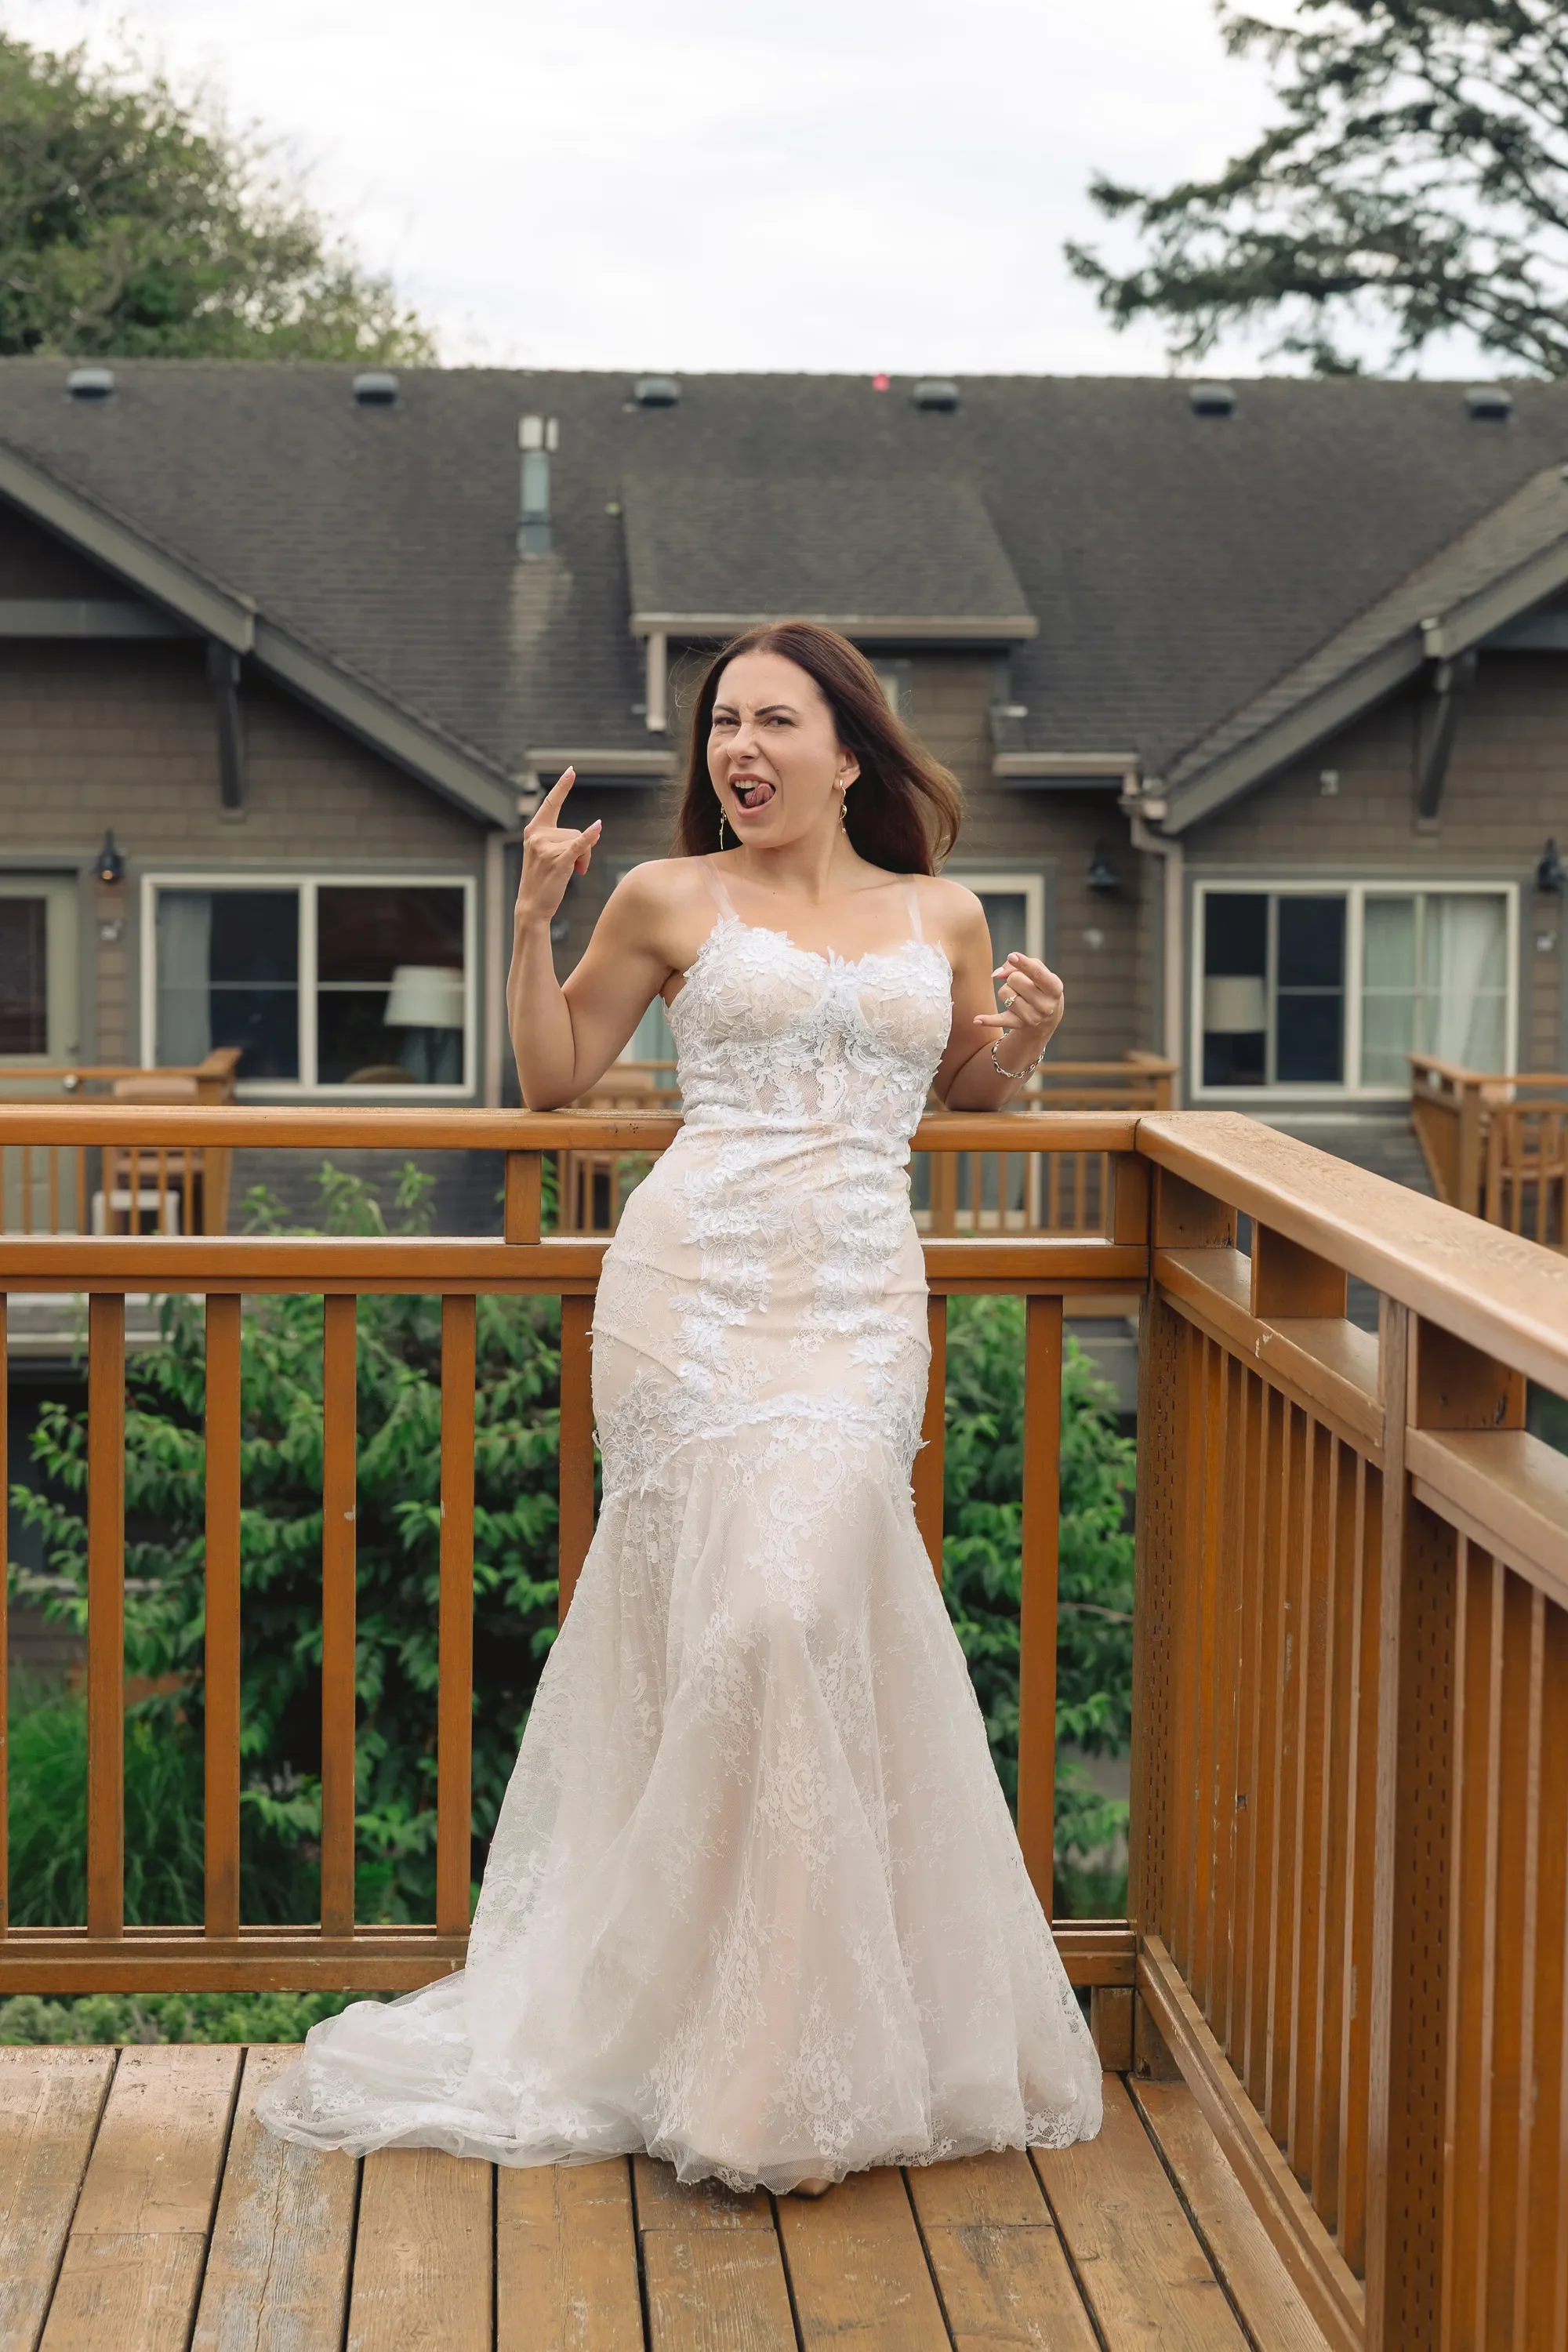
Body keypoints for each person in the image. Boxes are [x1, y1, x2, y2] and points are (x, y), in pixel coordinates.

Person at [257, 619, 1103, 2192]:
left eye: (775, 721)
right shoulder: (665, 898)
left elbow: (964, 1093)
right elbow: (554, 1079)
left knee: (790, 1619)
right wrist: (527, 919)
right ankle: (706, 2041)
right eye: (723, 725)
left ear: (849, 752)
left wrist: (1027, 1049)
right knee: (727, 1630)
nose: (743, 750)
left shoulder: (948, 909)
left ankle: (778, 2045)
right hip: (689, 1301)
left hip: (855, 1307)